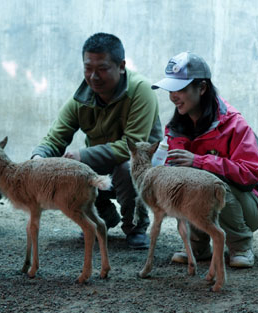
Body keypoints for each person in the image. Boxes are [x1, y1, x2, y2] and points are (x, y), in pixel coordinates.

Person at [31, 33, 162, 249]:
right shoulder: (82, 97)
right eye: (88, 68)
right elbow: (55, 137)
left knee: (126, 166)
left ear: (121, 66)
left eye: (102, 68)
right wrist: (38, 158)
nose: (93, 77)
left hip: (142, 166)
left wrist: (81, 156)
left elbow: (133, 147)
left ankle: (136, 226)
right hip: (102, 164)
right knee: (70, 168)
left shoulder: (141, 90)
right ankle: (103, 216)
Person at [151, 52, 258, 268]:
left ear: (202, 88)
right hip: (213, 203)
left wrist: (199, 161)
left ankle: (241, 245)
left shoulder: (235, 124)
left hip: (250, 208)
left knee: (210, 182)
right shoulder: (176, 128)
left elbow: (250, 174)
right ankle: (197, 246)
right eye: (171, 90)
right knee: (180, 181)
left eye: (181, 89)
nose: (173, 96)